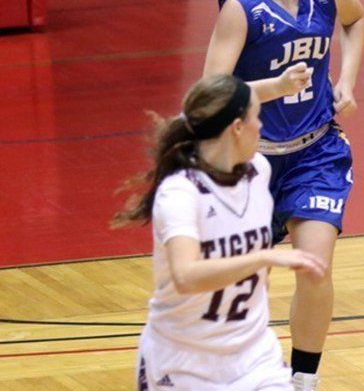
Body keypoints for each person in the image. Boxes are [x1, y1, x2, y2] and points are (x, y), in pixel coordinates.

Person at [145, 0, 364, 390]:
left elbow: (356, 21)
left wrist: (346, 81)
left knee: (314, 268)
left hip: (317, 153)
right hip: (252, 163)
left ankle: (304, 379)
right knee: (232, 282)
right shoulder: (241, 8)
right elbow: (210, 98)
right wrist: (272, 87)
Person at [114, 73, 327, 390]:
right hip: (184, 362)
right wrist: (261, 258)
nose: (262, 127)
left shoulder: (259, 172)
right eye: (256, 118)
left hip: (253, 356)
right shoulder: (181, 193)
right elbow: (186, 276)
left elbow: (202, 109)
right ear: (237, 128)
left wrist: (280, 87)